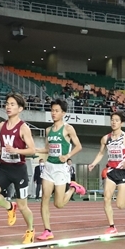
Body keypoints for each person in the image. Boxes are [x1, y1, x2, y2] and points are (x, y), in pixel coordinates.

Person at [0, 93, 36, 243]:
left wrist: (17, 151)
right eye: (7, 103)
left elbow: (32, 150)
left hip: (19, 170)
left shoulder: (24, 128)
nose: (8, 106)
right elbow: (3, 146)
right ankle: (9, 207)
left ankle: (30, 230)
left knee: (23, 206)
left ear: (20, 108)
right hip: (4, 168)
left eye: (12, 104)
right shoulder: (1, 126)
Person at [34, 99, 84, 241]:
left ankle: (73, 188)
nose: (53, 113)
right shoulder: (48, 130)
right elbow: (47, 149)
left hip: (61, 169)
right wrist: (34, 149)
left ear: (63, 113)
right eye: (52, 110)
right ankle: (47, 230)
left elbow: (79, 146)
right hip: (49, 167)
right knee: (44, 198)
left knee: (59, 204)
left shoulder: (68, 128)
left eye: (57, 111)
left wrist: (67, 155)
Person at [87, 111, 125, 234]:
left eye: (116, 120)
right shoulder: (105, 138)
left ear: (121, 123)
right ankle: (112, 226)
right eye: (112, 119)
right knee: (106, 198)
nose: (113, 122)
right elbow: (101, 153)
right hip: (111, 171)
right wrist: (93, 163)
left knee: (120, 205)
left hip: (123, 172)